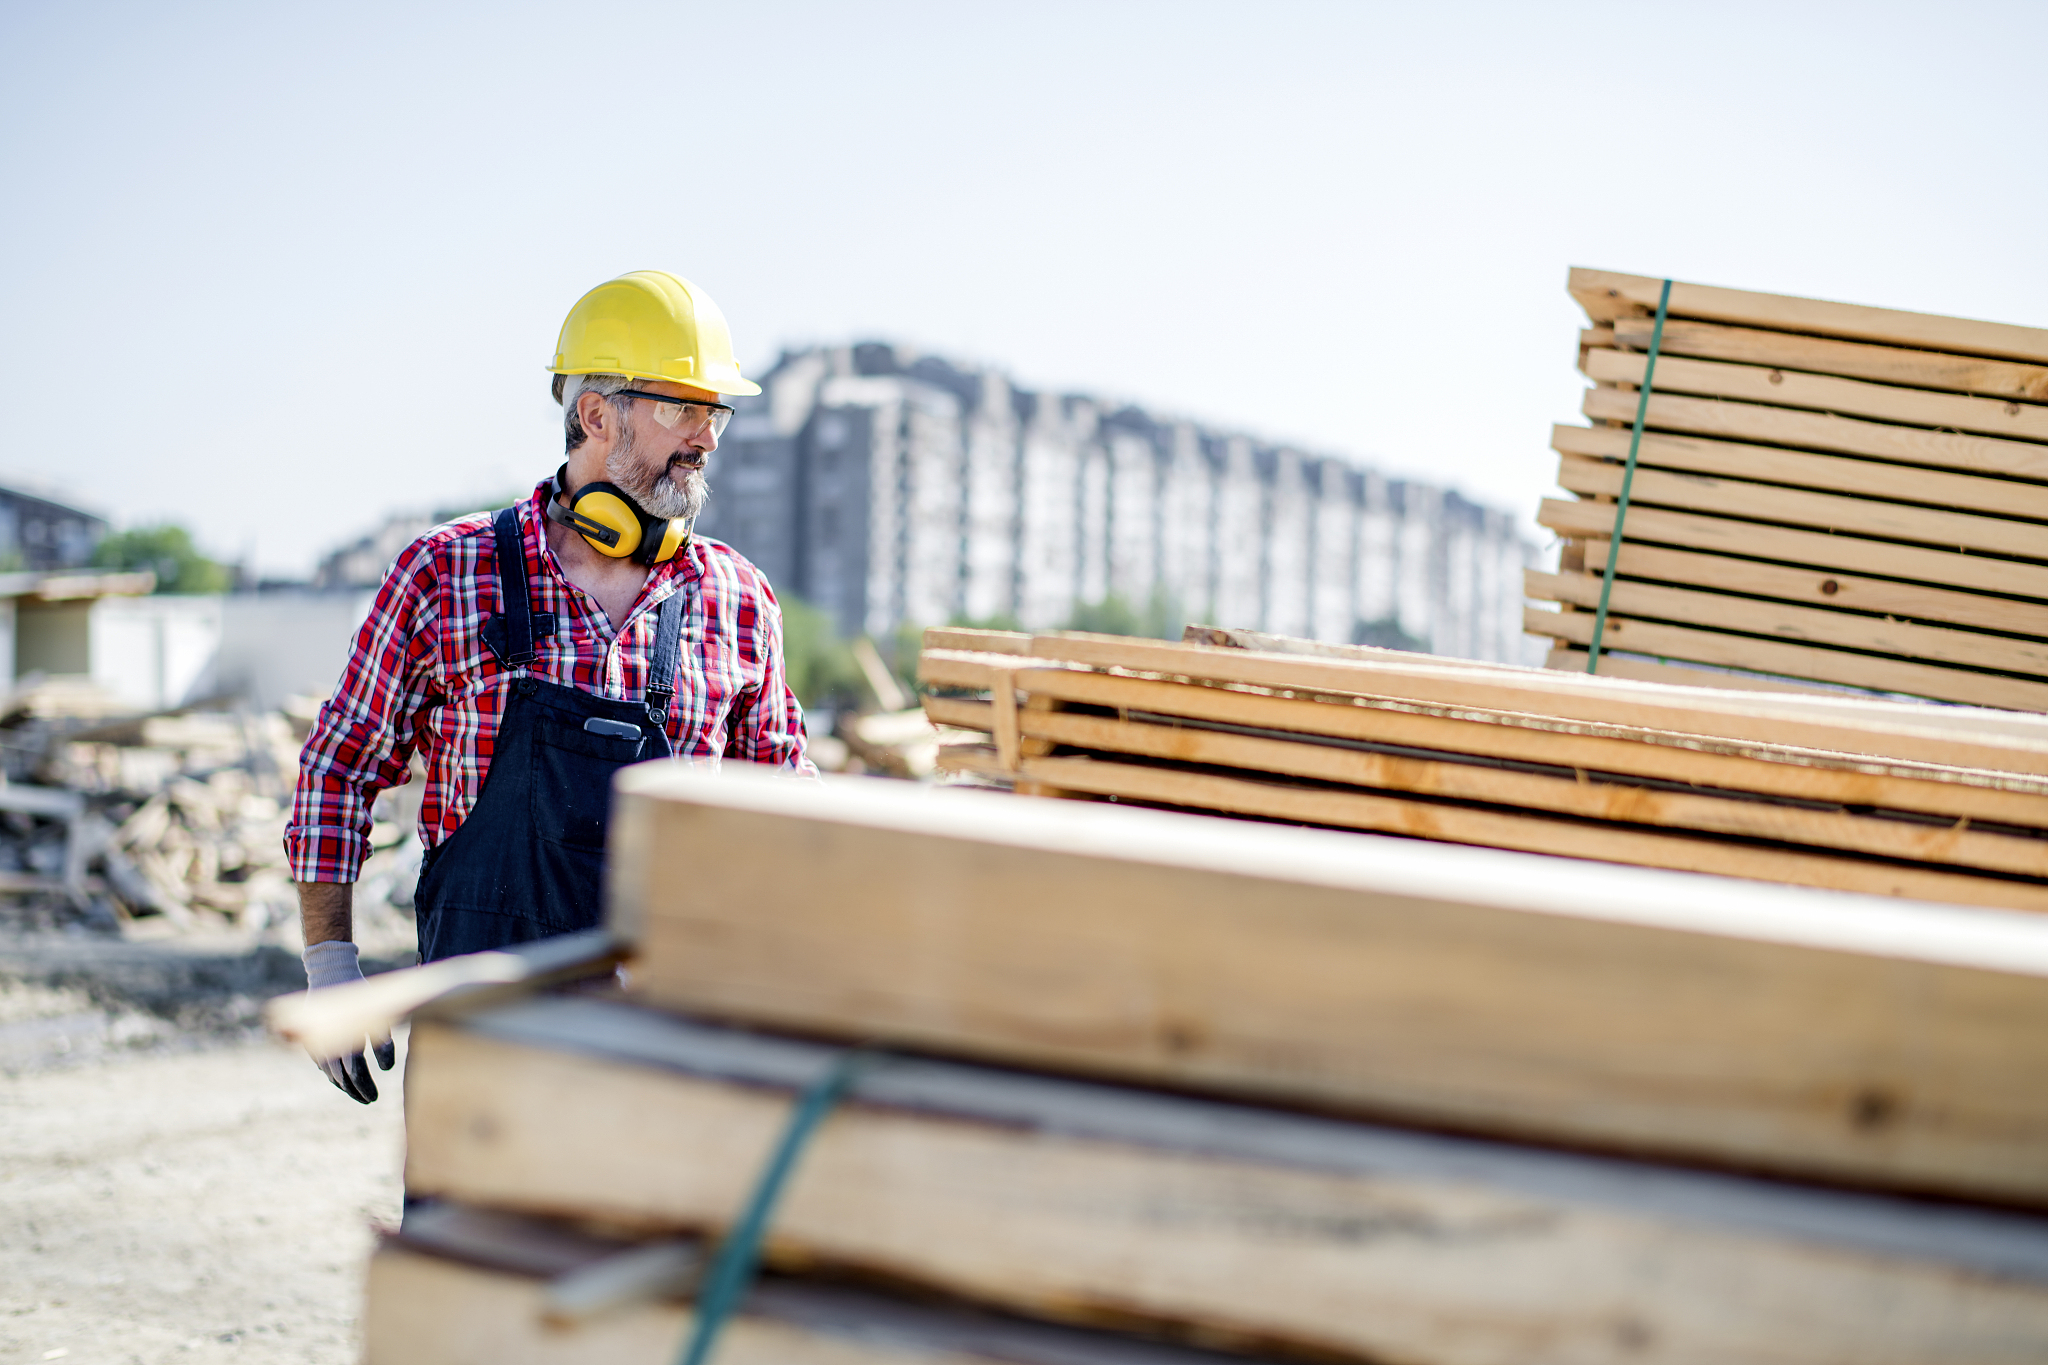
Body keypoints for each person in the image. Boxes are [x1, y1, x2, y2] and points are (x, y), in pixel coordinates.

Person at [284, 270, 816, 1102]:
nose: (707, 438)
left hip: (670, 1063)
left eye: (716, 412)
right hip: (484, 1067)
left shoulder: (737, 599)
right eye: (683, 408)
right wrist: (332, 963)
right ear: (597, 414)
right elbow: (337, 769)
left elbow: (788, 817)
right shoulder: (446, 574)